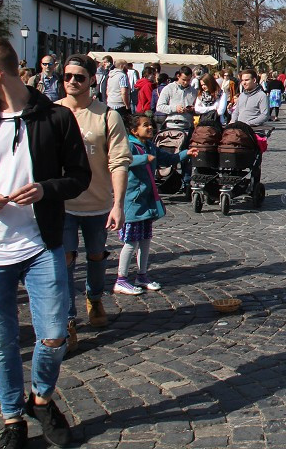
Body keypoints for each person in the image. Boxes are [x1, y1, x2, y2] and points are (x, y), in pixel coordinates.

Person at [0, 39, 92, 449]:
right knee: (1, 341)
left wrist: (45, 189)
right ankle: (13, 417)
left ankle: (42, 398)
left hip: (41, 243)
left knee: (53, 336)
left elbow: (79, 176)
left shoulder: (56, 118)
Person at [55, 54, 130, 352]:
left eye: (79, 77)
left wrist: (118, 204)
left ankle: (94, 297)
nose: (72, 81)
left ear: (91, 80)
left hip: (98, 203)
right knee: (64, 262)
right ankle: (68, 320)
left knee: (97, 256)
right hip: (62, 206)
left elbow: (120, 162)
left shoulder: (107, 116)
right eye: (67, 76)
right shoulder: (52, 113)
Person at [115, 113, 191, 296]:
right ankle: (121, 279)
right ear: (134, 131)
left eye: (150, 124)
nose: (150, 127)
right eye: (145, 125)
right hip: (133, 201)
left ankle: (142, 275)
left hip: (147, 200)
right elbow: (122, 160)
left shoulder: (150, 145)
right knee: (131, 242)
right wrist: (143, 159)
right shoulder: (130, 145)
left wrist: (186, 153)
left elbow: (168, 159)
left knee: (145, 240)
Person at [156, 67, 197, 131]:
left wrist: (193, 109)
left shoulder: (194, 91)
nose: (186, 82)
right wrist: (175, 108)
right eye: (183, 80)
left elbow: (197, 109)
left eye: (188, 80)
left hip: (188, 127)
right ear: (178, 76)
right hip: (172, 126)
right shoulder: (169, 88)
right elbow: (160, 107)